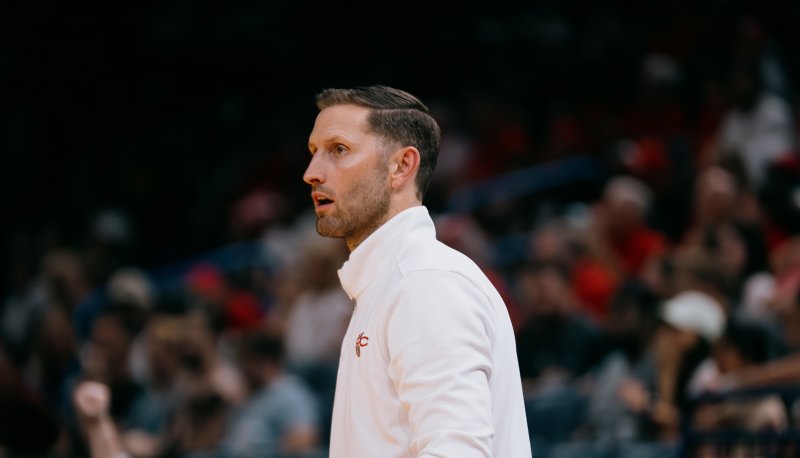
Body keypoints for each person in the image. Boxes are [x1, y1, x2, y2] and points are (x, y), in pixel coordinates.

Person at [303, 85, 532, 457]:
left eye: (338, 150)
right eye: (313, 152)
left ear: (401, 166)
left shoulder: (425, 283)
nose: (311, 173)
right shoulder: (391, 284)